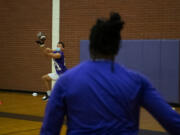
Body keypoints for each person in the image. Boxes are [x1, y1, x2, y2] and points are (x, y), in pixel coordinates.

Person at [40, 12, 180, 135]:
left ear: (91, 46)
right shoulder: (138, 82)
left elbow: (48, 131)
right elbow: (174, 124)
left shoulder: (65, 82)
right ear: (117, 47)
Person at [36, 36, 67, 100]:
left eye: (60, 46)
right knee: (44, 78)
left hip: (63, 74)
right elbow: (46, 53)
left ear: (63, 48)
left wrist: (44, 47)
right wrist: (42, 46)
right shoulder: (56, 51)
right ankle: (49, 95)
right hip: (58, 73)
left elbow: (48, 54)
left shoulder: (60, 54)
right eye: (57, 46)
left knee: (62, 90)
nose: (58, 47)